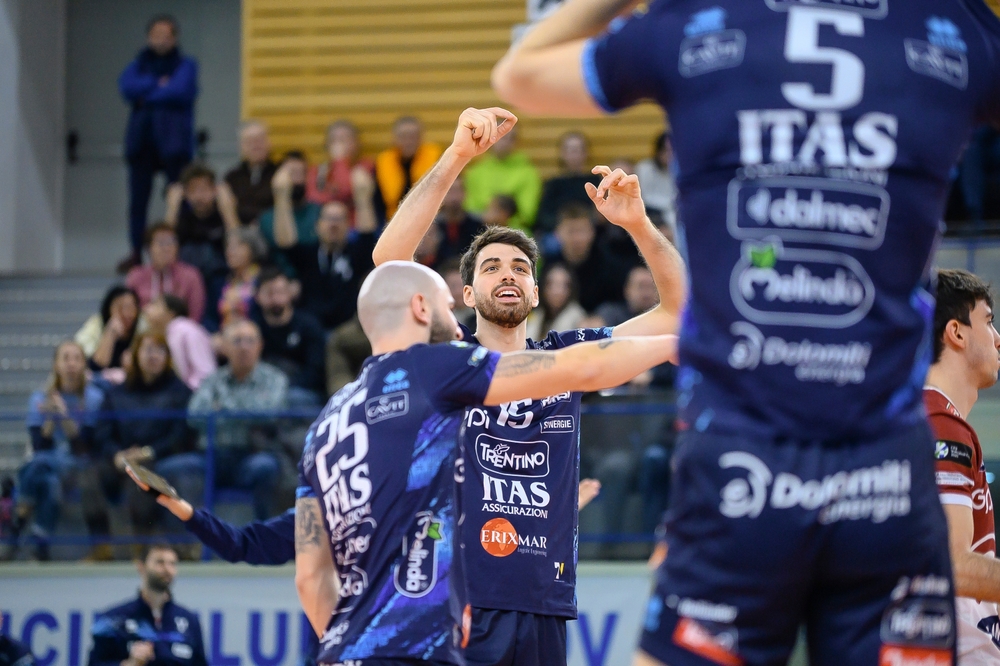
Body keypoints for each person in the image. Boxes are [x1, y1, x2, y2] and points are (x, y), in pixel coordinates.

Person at [491, 2, 1000, 664]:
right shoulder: (947, 31)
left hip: (742, 461)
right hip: (885, 467)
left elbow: (519, 75)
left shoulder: (700, 21)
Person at [373, 107, 685, 666]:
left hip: (543, 601)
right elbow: (387, 263)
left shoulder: (565, 359)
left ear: (537, 293)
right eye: (491, 268)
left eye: (520, 268)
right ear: (465, 295)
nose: (508, 275)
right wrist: (458, 156)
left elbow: (679, 314)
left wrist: (638, 224)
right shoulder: (442, 360)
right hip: (454, 601)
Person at [293, 260, 677, 665]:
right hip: (420, 647)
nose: (458, 328)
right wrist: (675, 345)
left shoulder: (325, 424)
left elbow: (310, 578)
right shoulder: (432, 368)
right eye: (447, 304)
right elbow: (583, 366)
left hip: (348, 651)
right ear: (422, 308)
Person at [924, 269, 1000, 663]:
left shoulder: (938, 420)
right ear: (957, 332)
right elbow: (951, 564)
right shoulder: (942, 424)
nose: (998, 338)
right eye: (988, 321)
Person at [117, 15, 198, 272]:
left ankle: (181, 251)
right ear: (148, 37)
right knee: (138, 203)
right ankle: (136, 253)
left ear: (174, 38)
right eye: (156, 34)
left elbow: (180, 90)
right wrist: (156, 85)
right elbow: (126, 87)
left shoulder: (186, 65)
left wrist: (146, 95)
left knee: (180, 199)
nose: (160, 40)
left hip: (174, 144)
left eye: (166, 35)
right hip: (141, 144)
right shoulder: (138, 64)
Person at [186, 320, 288, 520]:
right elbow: (194, 415)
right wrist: (247, 411)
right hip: (214, 456)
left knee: (265, 467)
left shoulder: (275, 379)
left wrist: (221, 409)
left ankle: (264, 537)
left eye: (250, 341)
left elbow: (270, 414)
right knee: (177, 469)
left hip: (254, 452)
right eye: (237, 341)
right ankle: (190, 543)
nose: (244, 347)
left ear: (260, 346)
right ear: (225, 347)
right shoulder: (212, 380)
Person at [95, 332, 194, 537]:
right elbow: (103, 432)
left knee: (141, 477)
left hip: (157, 456)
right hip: (121, 457)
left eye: (160, 350)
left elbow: (181, 435)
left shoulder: (179, 392)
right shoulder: (117, 393)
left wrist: (147, 452)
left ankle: (144, 543)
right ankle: (101, 544)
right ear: (135, 354)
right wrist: (117, 455)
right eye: (148, 349)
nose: (154, 355)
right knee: (90, 474)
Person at [13, 341, 105, 560]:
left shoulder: (95, 399)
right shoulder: (39, 398)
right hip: (48, 462)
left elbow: (84, 449)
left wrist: (64, 417)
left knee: (37, 465)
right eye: (65, 358)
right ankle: (40, 543)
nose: (71, 364)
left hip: (78, 465)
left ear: (84, 364)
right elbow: (39, 447)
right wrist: (51, 420)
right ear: (55, 364)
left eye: (76, 358)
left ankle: (20, 512)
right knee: (49, 482)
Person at [273, 171, 377, 329]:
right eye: (328, 218)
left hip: (348, 329)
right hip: (313, 328)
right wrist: (281, 197)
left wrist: (363, 197)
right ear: (317, 226)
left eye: (339, 219)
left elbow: (368, 235)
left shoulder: (357, 253)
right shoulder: (308, 255)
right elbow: (286, 243)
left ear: (349, 225)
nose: (333, 224)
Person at [88, 544, 207, 666]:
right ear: (141, 567)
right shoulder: (114, 619)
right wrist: (129, 663)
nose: (167, 569)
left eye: (172, 564)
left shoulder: (189, 620)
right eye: (160, 562)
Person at [252, 267, 327, 409]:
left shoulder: (309, 326)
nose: (276, 299)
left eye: (280, 292)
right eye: (269, 293)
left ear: (290, 293)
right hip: (261, 391)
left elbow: (316, 373)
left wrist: (282, 385)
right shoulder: (252, 329)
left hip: (300, 391)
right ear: (257, 296)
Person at [165, 164, 241, 291]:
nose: (199, 196)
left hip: (220, 277)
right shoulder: (182, 219)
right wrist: (172, 208)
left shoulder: (223, 215)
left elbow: (239, 243)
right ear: (185, 194)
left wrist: (228, 208)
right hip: (188, 279)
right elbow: (164, 245)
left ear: (214, 190)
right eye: (193, 191)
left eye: (204, 190)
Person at [547, 202, 629, 313]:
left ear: (592, 232)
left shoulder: (608, 265)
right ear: (557, 234)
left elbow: (619, 303)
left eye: (581, 231)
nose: (576, 239)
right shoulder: (551, 265)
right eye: (571, 231)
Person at [462, 125, 542, 232]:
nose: (505, 142)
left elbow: (527, 214)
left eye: (511, 138)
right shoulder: (475, 173)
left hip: (515, 230)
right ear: (490, 139)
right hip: (479, 228)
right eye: (501, 137)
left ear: (516, 142)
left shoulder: (528, 173)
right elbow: (469, 208)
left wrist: (501, 219)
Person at [126, 222, 206, 323]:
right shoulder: (136, 276)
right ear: (149, 248)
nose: (167, 248)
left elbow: (195, 316)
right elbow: (130, 311)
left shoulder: (191, 276)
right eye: (161, 242)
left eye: (171, 242)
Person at [374, 116, 442, 220]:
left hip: (430, 217)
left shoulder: (436, 157)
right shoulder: (383, 161)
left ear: (421, 137)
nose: (408, 141)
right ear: (394, 138)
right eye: (403, 137)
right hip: (391, 218)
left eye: (413, 136)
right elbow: (380, 201)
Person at [143, 295, 216, 391]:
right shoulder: (169, 333)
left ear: (171, 313)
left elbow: (200, 372)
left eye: (156, 305)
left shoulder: (183, 329)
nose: (147, 309)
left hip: (197, 394)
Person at [535, 131, 602, 235]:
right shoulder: (553, 184)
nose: (574, 155)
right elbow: (543, 217)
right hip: (559, 234)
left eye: (577, 150)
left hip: (592, 233)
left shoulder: (596, 181)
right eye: (570, 150)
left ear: (586, 153)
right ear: (562, 153)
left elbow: (602, 217)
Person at [306, 119, 376, 215]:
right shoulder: (318, 171)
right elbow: (314, 200)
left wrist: (340, 161)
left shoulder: (366, 167)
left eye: (344, 139)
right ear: (327, 145)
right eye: (334, 140)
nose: (339, 145)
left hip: (356, 226)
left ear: (357, 143)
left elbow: (345, 191)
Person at [259, 152, 322, 251]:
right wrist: (282, 195)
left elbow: (308, 244)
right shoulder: (267, 217)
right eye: (291, 174)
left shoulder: (318, 211)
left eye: (300, 173)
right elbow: (286, 245)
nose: (296, 180)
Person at [212, 228, 267, 333]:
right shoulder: (219, 281)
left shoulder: (264, 279)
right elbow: (209, 317)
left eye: (238, 246)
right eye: (228, 246)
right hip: (224, 338)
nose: (230, 251)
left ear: (253, 249)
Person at [224, 120, 278, 226]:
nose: (256, 145)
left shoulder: (280, 173)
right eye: (250, 141)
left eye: (260, 140)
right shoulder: (232, 177)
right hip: (240, 230)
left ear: (269, 142)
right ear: (241, 146)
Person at [76, 286, 140, 373]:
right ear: (109, 309)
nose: (126, 313)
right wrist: (110, 334)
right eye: (120, 307)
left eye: (130, 307)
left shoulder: (142, 328)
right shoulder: (95, 326)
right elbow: (95, 367)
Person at [525, 263, 586, 340]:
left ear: (571, 289)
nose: (556, 291)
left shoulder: (579, 319)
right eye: (551, 284)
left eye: (563, 285)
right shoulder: (537, 315)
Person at [634, 132, 678, 236]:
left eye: (673, 151)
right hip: (650, 214)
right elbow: (643, 199)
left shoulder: (682, 171)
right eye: (666, 151)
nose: (670, 155)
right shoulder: (644, 168)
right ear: (658, 151)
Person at [436, 179, 484, 261]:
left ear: (465, 193)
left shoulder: (478, 224)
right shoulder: (434, 226)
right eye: (450, 191)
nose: (454, 197)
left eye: (457, 191)